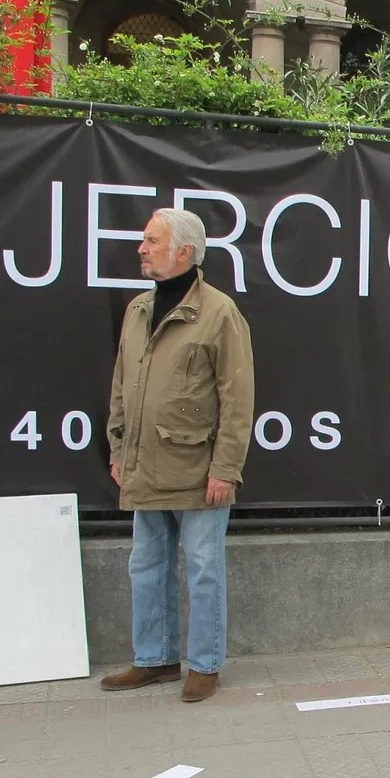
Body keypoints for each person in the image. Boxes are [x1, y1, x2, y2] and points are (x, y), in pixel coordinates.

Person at [101, 208, 255, 702]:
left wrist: (226, 469)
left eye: (152, 240)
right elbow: (122, 386)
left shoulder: (219, 313)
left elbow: (238, 399)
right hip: (145, 466)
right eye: (143, 240)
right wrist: (119, 448)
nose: (141, 248)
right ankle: (155, 660)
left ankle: (204, 666)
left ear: (183, 251)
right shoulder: (137, 310)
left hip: (198, 471)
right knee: (146, 564)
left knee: (203, 568)